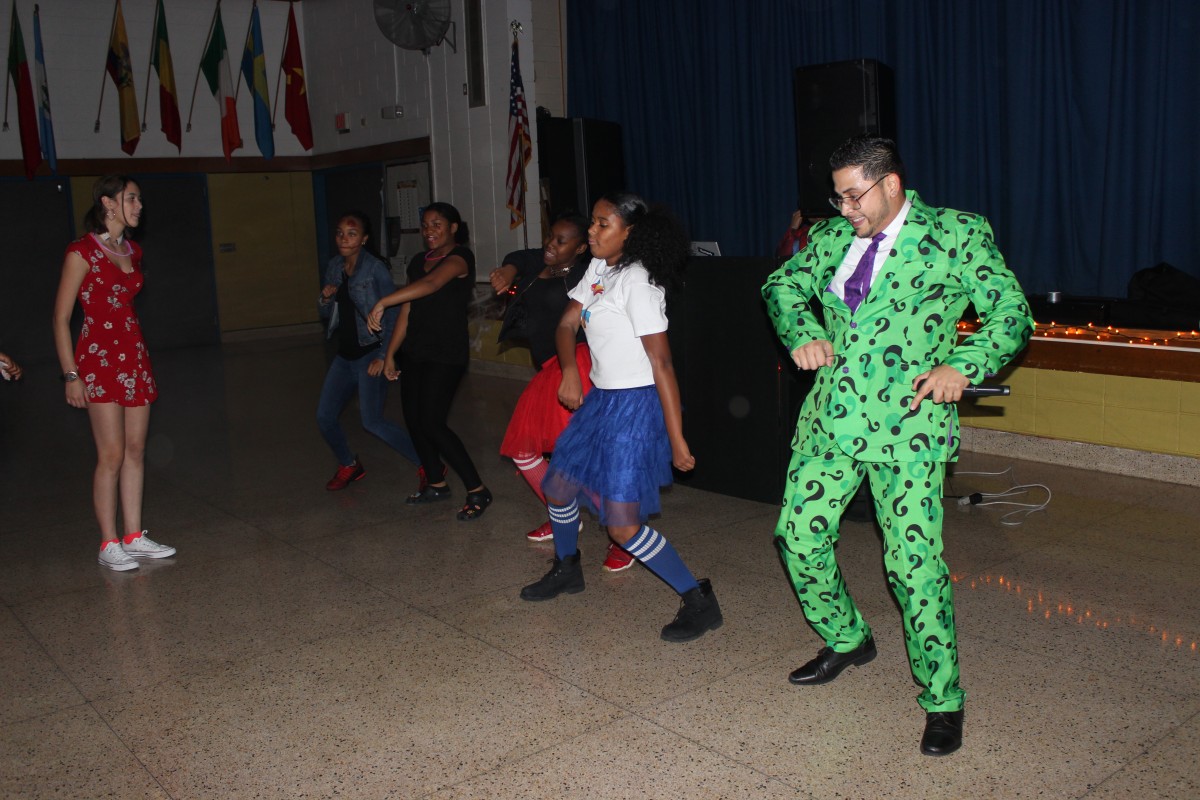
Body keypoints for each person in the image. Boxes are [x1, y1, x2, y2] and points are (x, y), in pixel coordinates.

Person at [761, 136, 1033, 756]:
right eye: (837, 195)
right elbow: (780, 287)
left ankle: (942, 700)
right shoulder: (831, 239)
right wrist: (802, 330)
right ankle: (848, 638)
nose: (845, 207)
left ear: (891, 184)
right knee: (798, 537)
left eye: (855, 194)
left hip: (910, 425)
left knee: (912, 570)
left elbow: (1011, 313)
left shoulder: (956, 232)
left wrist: (963, 364)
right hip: (831, 422)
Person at [519, 192, 723, 643]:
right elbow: (567, 324)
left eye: (602, 224)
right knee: (557, 485)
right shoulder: (599, 269)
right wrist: (571, 371)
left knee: (623, 525)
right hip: (602, 402)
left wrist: (677, 439)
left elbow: (662, 365)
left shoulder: (639, 284)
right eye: (592, 222)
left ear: (629, 233)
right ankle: (568, 569)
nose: (591, 232)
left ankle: (698, 599)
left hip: (634, 408)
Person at [489, 214, 634, 573]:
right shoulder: (543, 263)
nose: (551, 246)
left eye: (561, 241)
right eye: (550, 238)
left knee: (581, 457)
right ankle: (564, 514)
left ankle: (628, 537)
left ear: (581, 248)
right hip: (547, 370)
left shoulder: (588, 270)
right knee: (530, 452)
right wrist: (509, 269)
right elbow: (523, 256)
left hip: (575, 365)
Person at [52, 175, 176, 572]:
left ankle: (133, 535)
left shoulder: (132, 250)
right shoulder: (81, 251)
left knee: (137, 450)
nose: (139, 206)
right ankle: (108, 541)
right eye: (132, 198)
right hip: (98, 359)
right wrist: (71, 375)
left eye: (139, 198)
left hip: (133, 355)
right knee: (111, 454)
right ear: (108, 203)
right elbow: (60, 318)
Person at [368, 202, 492, 521]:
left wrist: (383, 301)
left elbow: (432, 285)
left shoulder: (460, 258)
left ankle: (477, 489)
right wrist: (392, 352)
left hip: (446, 353)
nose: (429, 231)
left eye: (437, 224)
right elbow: (409, 309)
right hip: (415, 351)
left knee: (433, 422)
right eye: (425, 225)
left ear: (453, 228)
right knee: (414, 419)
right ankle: (436, 482)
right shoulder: (418, 261)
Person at [317, 212, 420, 490]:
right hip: (344, 355)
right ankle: (349, 464)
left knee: (372, 422)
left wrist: (382, 355)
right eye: (339, 233)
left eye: (351, 234)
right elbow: (328, 315)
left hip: (369, 353)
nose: (344, 239)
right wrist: (325, 299)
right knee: (324, 417)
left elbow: (393, 313)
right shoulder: (334, 266)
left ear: (363, 239)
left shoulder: (375, 269)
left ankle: (426, 463)